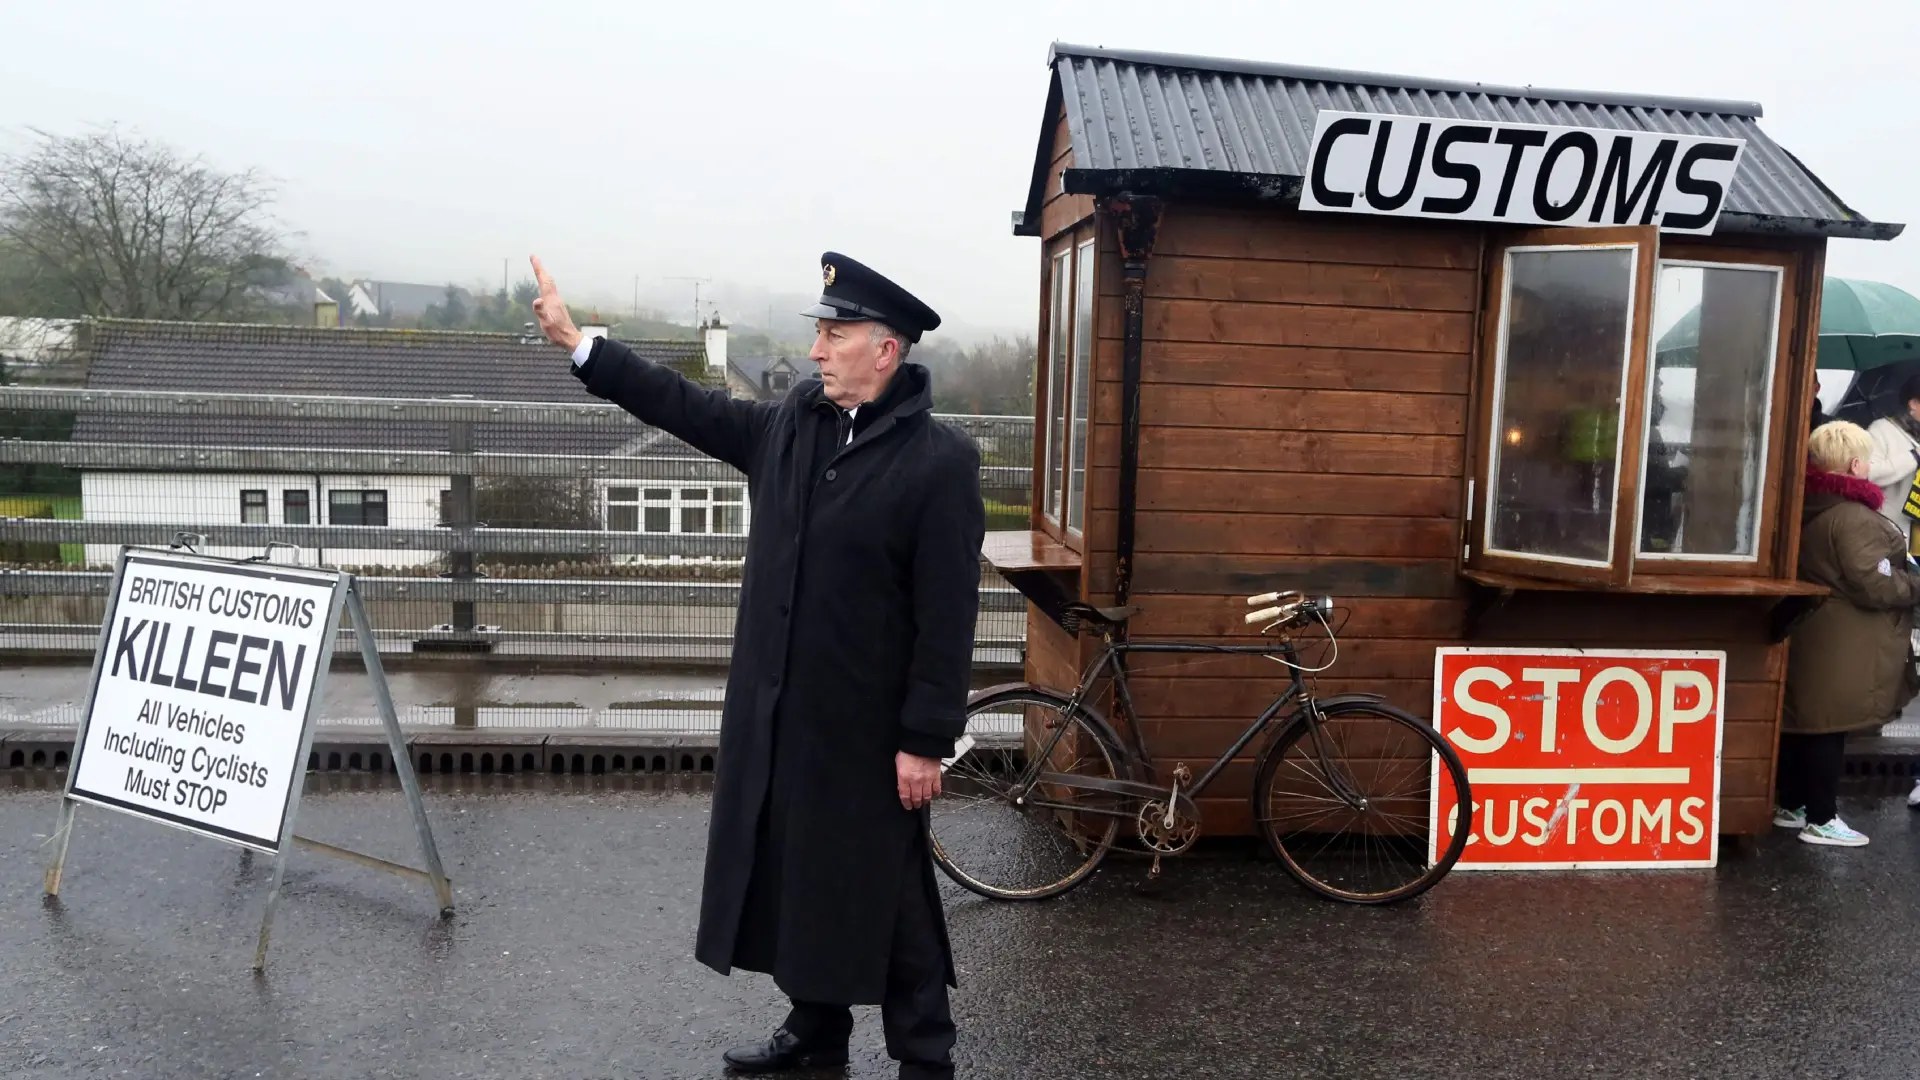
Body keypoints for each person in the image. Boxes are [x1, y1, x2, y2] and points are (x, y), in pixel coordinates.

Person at [529, 252, 984, 1080]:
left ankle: (927, 1056)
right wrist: (581, 343)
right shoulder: (791, 426)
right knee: (790, 872)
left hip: (868, 731)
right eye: (818, 330)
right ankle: (816, 1030)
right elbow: (686, 406)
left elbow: (948, 616)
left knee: (893, 892)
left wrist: (925, 738)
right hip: (779, 715)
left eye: (834, 333)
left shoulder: (938, 464)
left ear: (886, 350)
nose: (816, 349)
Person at [1778, 420, 1920, 846]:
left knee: (1806, 723)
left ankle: (1793, 804)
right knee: (1828, 727)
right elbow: (1874, 583)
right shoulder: (1853, 517)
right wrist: (1913, 583)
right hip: (1843, 640)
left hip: (1814, 627)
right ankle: (1821, 819)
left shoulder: (1806, 505)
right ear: (1856, 464)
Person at [1864, 371, 1920, 547]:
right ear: (1914, 403)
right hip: (1890, 534)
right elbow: (1869, 474)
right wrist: (1914, 456)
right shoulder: (1882, 430)